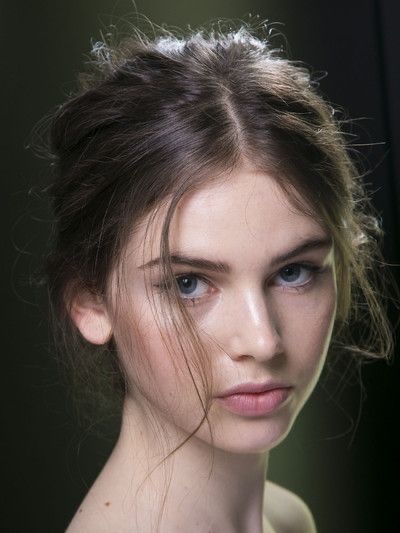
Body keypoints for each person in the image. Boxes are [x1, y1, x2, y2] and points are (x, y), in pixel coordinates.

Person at [41, 21, 393, 533]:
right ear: (92, 303)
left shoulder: (287, 518)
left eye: (293, 272)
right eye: (188, 283)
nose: (262, 340)